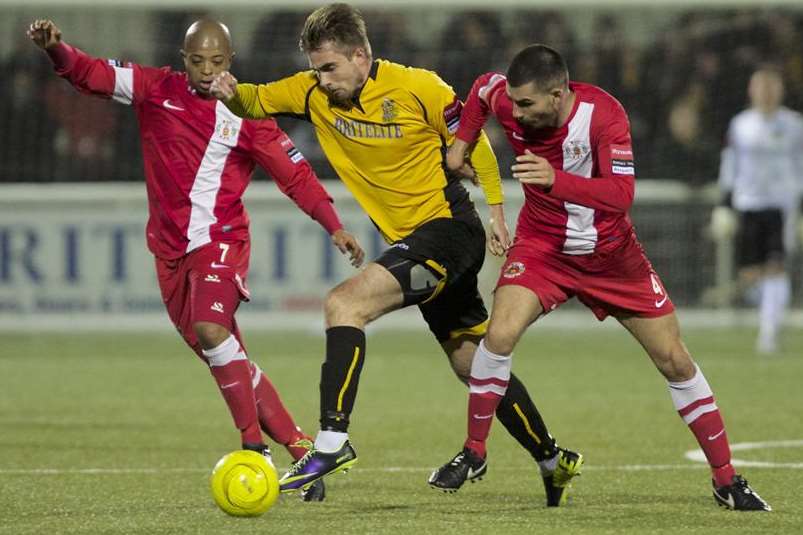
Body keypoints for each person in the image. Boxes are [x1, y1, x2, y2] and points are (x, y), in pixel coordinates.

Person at [211, 3, 583, 507]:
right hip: (419, 243)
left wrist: (497, 211)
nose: (322, 81)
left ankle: (330, 441)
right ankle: (551, 458)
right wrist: (230, 92)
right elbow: (255, 101)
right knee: (472, 364)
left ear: (361, 55)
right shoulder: (310, 91)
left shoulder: (420, 88)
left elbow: (474, 143)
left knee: (345, 304)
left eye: (330, 68)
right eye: (316, 69)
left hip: (450, 232)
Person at [28, 17, 366, 502]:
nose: (207, 70)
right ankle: (299, 448)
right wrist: (56, 51)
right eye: (197, 61)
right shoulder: (154, 88)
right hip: (168, 253)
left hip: (220, 242)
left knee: (213, 330)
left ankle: (254, 449)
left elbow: (295, 175)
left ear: (230, 61)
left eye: (216, 61)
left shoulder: (245, 111)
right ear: (184, 60)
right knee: (228, 357)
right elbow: (92, 75)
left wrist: (334, 226)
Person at [429, 44, 771, 511]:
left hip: (613, 256)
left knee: (675, 360)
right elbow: (481, 92)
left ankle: (726, 479)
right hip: (543, 247)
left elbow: (620, 195)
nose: (517, 114)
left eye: (527, 105)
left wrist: (555, 179)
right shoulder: (507, 96)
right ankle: (475, 451)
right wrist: (459, 149)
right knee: (499, 335)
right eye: (515, 103)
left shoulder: (604, 114)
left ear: (557, 93)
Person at [711, 66, 803, 354]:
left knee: (775, 267)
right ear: (752, 91)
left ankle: (768, 332)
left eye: (770, 86)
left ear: (780, 90)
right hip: (748, 204)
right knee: (751, 274)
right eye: (760, 87)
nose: (765, 92)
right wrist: (724, 204)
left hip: (781, 206)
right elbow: (730, 165)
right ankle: (772, 310)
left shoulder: (794, 125)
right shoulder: (740, 124)